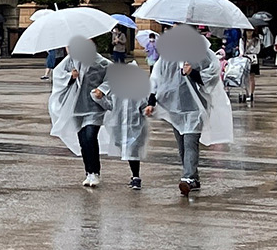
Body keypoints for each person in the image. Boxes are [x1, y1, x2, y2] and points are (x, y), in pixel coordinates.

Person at [147, 31, 234, 198]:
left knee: (189, 143)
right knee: (182, 146)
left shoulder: (202, 54)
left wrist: (193, 73)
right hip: (176, 109)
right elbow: (157, 78)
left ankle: (187, 177)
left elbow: (213, 75)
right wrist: (151, 101)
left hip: (196, 107)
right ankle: (193, 177)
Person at [50, 36, 114, 188]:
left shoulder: (102, 63)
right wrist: (70, 77)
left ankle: (96, 172)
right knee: (83, 140)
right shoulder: (71, 61)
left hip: (94, 107)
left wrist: (102, 90)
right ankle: (88, 172)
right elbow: (58, 75)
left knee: (91, 136)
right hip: (76, 107)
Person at [100, 59, 150, 189]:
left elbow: (144, 107)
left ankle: (136, 177)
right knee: (122, 146)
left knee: (133, 151)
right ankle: (134, 176)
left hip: (135, 127)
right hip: (118, 127)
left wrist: (148, 110)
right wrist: (99, 98)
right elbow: (110, 105)